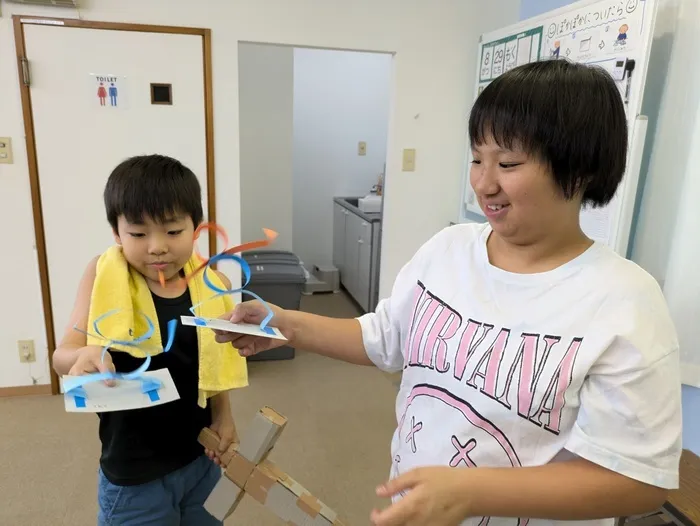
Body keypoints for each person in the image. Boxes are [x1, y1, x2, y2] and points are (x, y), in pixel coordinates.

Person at [215, 60, 682, 526]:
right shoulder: (449, 249)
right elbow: (383, 337)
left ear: (579, 170)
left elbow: (639, 479)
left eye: (509, 163)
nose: (484, 182)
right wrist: (285, 323)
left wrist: (476, 492)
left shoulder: (624, 300)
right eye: (478, 158)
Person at [53, 155, 248, 525]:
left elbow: (213, 361)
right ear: (117, 233)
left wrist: (224, 416)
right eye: (139, 234)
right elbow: (63, 355)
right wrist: (85, 355)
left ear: (195, 229)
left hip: (201, 458)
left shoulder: (211, 283)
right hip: (134, 472)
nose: (157, 246)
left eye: (173, 231)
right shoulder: (101, 275)